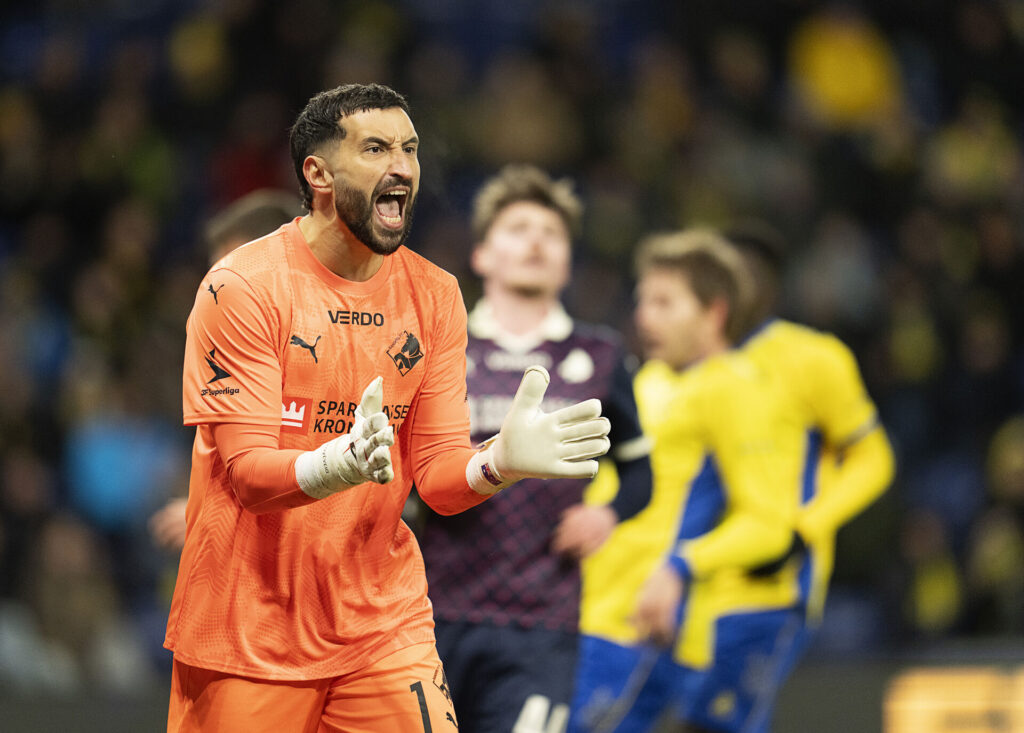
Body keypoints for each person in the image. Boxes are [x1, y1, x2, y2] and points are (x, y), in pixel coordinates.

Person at [164, 83, 612, 733]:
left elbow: (436, 477)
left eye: (410, 148)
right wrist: (335, 463)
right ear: (317, 172)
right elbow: (248, 475)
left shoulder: (435, 294)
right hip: (248, 633)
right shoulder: (243, 287)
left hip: (381, 625)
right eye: (375, 148)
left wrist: (499, 463)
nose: (402, 165)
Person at [415, 164, 653, 733]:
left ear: (568, 260)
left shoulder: (600, 354)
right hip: (425, 612)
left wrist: (608, 514)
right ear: (482, 255)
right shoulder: (436, 347)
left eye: (552, 234)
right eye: (518, 228)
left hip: (540, 621)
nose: (536, 242)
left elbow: (643, 471)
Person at [570, 229, 804, 733]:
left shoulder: (737, 390)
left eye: (664, 303)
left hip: (646, 628)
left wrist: (678, 567)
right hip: (587, 613)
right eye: (642, 301)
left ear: (713, 312)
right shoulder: (648, 379)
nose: (644, 317)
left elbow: (769, 524)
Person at [149, 189, 303, 552]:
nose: (216, 289)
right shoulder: (227, 348)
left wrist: (212, 523)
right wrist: (205, 514)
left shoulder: (326, 358)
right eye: (215, 274)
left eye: (230, 272)